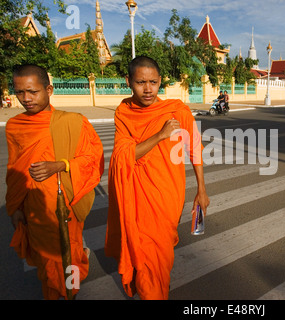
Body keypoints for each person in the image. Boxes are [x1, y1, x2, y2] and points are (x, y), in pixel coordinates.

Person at [105, 56, 210, 300]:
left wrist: (201, 190)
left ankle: (157, 287)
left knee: (159, 255)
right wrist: (160, 136)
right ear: (128, 81)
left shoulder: (176, 111)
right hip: (137, 196)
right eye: (141, 82)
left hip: (166, 196)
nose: (148, 89)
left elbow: (195, 149)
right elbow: (124, 156)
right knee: (145, 257)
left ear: (160, 81)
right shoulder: (123, 112)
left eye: (153, 82)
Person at [5, 64, 104, 300]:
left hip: (64, 206)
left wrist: (60, 165)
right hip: (34, 208)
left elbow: (93, 158)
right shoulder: (14, 127)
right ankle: (53, 289)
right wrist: (15, 207)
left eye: (33, 91)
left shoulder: (72, 121)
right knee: (46, 260)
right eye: (19, 92)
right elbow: (14, 169)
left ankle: (71, 292)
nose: (26, 99)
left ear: (48, 90)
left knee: (68, 254)